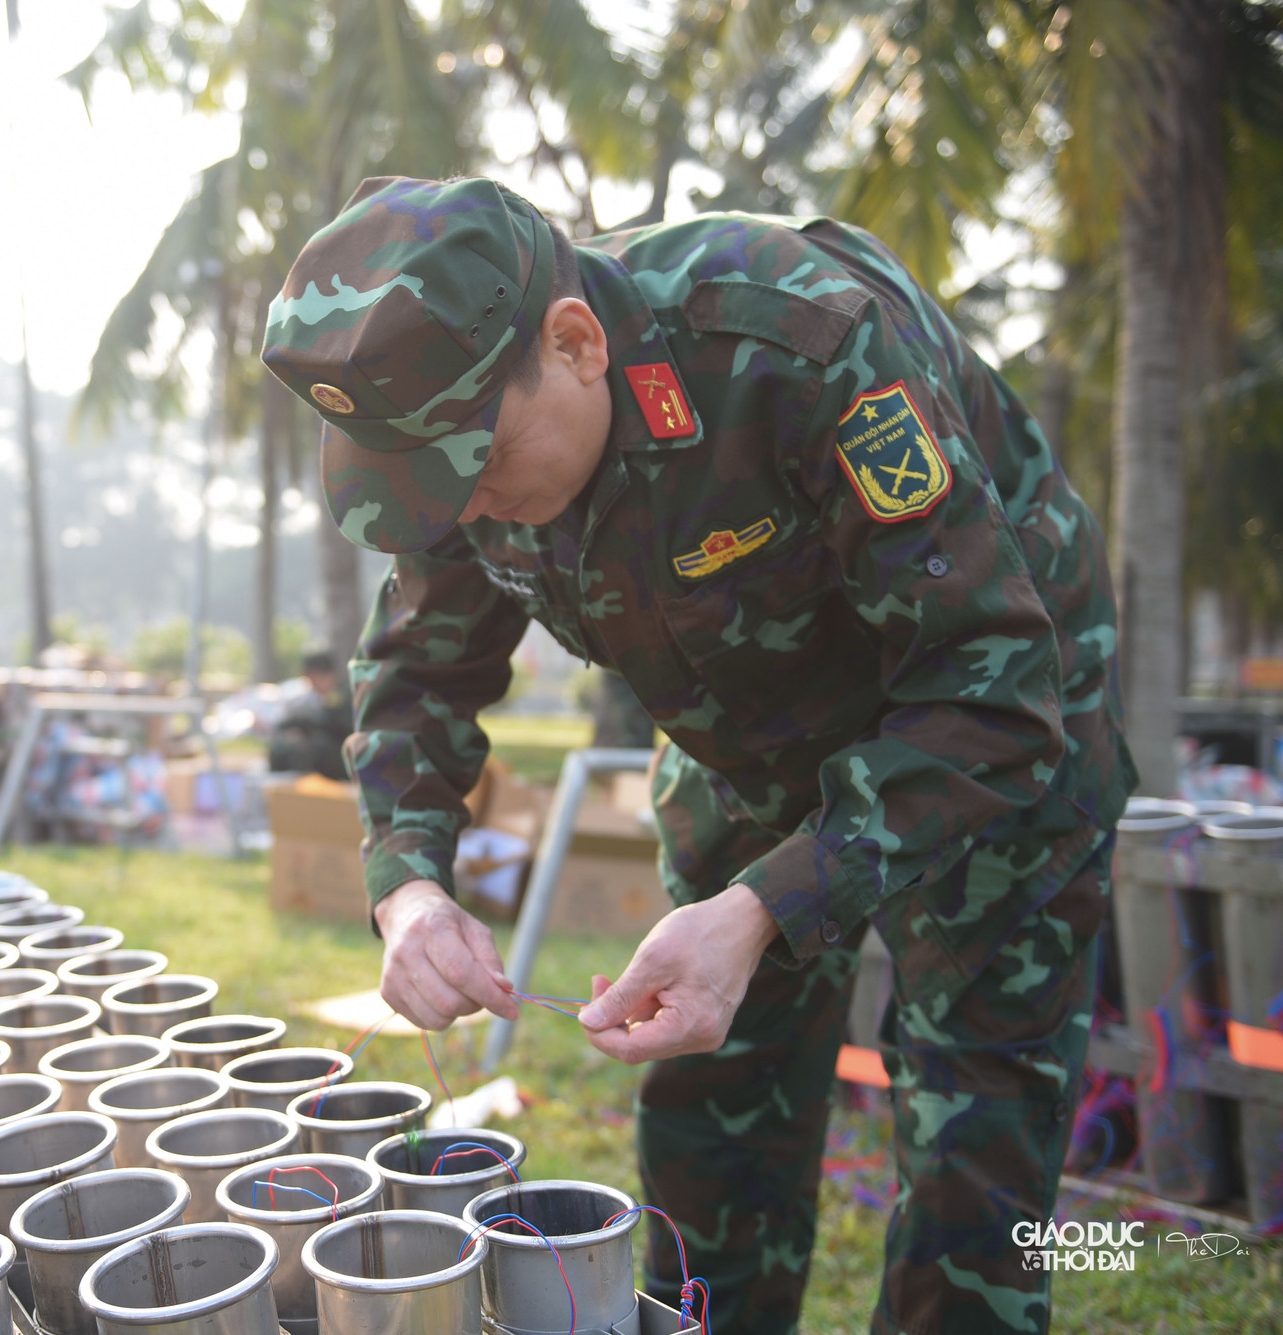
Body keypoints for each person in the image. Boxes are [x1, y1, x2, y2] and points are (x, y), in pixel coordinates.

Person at [260, 176, 1134, 1334]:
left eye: (475, 463)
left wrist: (768, 905)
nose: (463, 510)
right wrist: (408, 889)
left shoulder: (793, 341)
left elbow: (994, 684)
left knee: (974, 1141)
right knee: (710, 1108)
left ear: (575, 345)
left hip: (988, 727)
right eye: (427, 484)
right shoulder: (453, 432)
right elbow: (416, 674)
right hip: (743, 745)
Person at [266, 649, 354, 780]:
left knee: (314, 748)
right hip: (333, 750)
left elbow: (329, 722)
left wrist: (301, 726)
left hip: (342, 755)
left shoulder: (342, 695)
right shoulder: (325, 696)